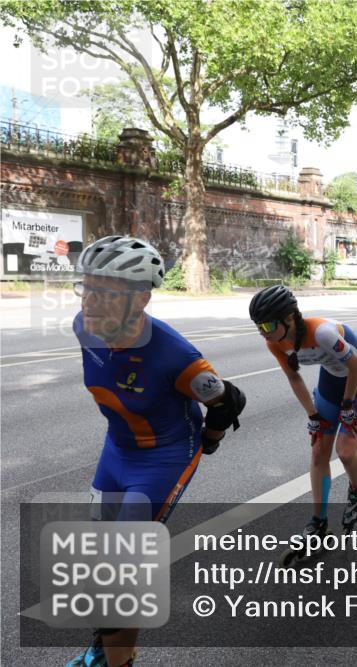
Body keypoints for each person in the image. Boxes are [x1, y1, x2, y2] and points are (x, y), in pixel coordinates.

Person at [68, 236, 246, 667]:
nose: (89, 301)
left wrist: (211, 439)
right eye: (85, 287)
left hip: (164, 457)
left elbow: (228, 400)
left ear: (141, 298)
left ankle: (119, 660)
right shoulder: (82, 326)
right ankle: (103, 644)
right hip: (118, 450)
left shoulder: (176, 357)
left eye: (104, 292)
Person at [249, 285, 357, 548]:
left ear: (289, 318)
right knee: (319, 450)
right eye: (258, 327)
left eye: (266, 325)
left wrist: (346, 406)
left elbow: (355, 365)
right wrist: (312, 414)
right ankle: (318, 523)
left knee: (345, 452)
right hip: (332, 382)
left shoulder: (322, 333)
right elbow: (293, 376)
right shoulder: (274, 342)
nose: (263, 333)